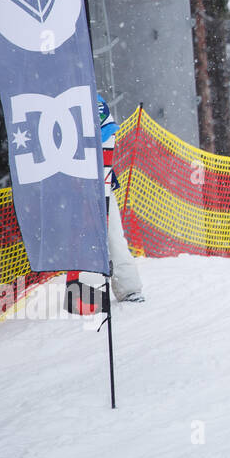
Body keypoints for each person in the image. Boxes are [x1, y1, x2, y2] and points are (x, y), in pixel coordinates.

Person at [66, 94, 144, 311]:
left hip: (101, 181)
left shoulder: (92, 98)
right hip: (72, 183)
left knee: (113, 236)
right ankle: (83, 294)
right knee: (81, 239)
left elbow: (108, 133)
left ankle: (129, 288)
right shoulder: (60, 97)